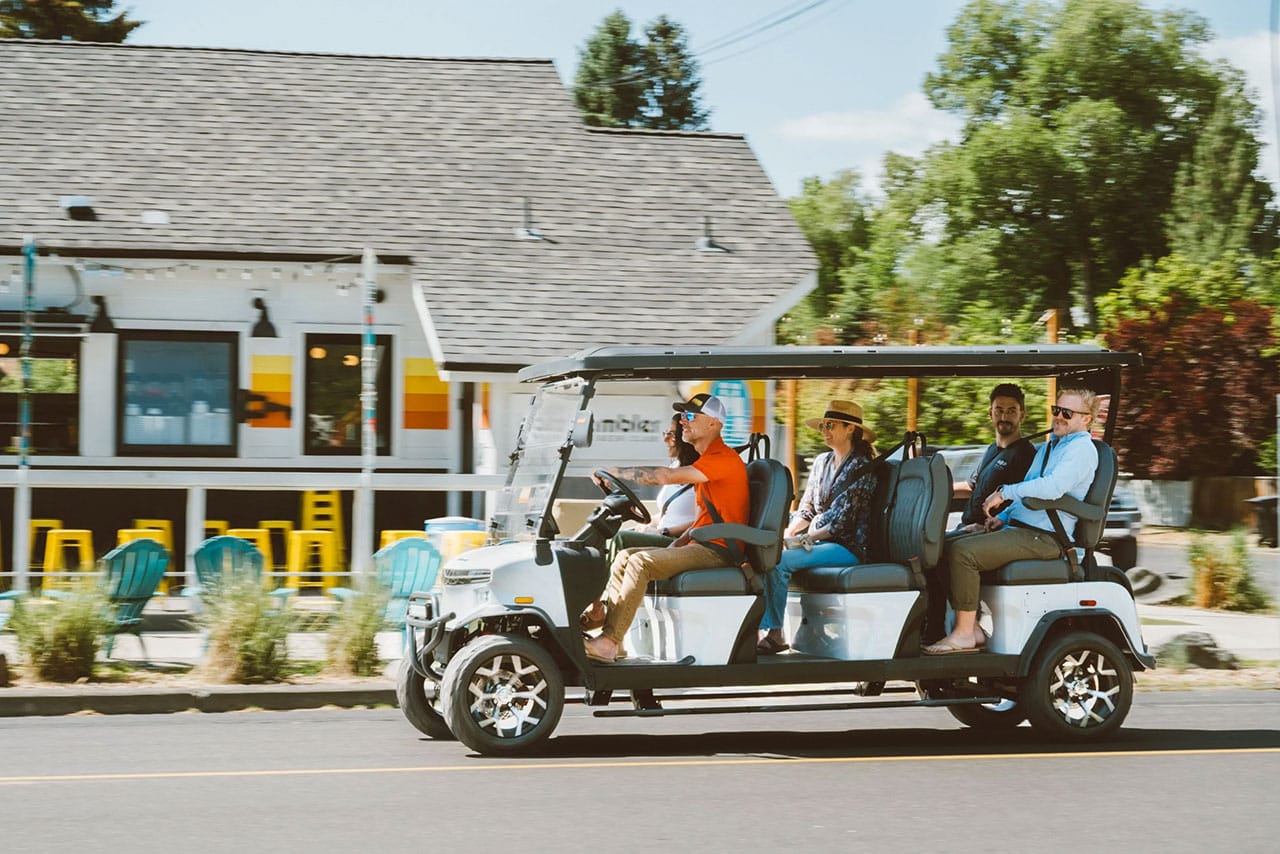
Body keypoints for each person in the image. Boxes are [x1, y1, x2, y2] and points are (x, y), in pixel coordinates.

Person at [923, 387, 1100, 655]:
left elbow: (1051, 488)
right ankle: (972, 629)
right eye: (1056, 411)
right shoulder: (1051, 447)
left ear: (1086, 419)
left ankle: (964, 634)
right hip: (1021, 528)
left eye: (1067, 413)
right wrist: (1001, 518)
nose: (1059, 417)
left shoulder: (1081, 450)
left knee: (962, 553)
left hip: (1046, 537)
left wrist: (1005, 492)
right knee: (942, 547)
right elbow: (1028, 487)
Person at [582, 393, 750, 664]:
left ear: (714, 424)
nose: (683, 421)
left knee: (641, 563)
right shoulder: (704, 460)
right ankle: (615, 640)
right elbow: (703, 520)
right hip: (702, 543)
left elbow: (665, 476)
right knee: (625, 557)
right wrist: (677, 544)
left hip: (718, 551)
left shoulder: (722, 459)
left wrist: (617, 471)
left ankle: (609, 643)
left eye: (691, 416)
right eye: (682, 416)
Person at [758, 400, 878, 655]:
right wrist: (787, 535)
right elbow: (807, 508)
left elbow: (842, 522)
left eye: (830, 425)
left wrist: (802, 540)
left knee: (779, 562)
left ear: (850, 429)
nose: (824, 430)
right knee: (769, 551)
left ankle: (775, 632)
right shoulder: (822, 462)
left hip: (848, 545)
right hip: (818, 538)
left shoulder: (863, 466)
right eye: (823, 425)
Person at [951, 383, 1036, 534]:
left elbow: (1024, 501)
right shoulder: (992, 450)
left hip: (990, 530)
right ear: (990, 413)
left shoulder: (1025, 453)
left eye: (1011, 411)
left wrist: (986, 527)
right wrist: (935, 489)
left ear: (1022, 415)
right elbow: (972, 486)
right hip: (967, 527)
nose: (1004, 417)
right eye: (999, 410)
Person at [615, 415, 701, 550]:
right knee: (611, 535)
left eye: (672, 434)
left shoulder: (700, 473)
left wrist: (664, 531)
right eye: (665, 433)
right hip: (662, 533)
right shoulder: (675, 466)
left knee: (620, 538)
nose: (665, 439)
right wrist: (647, 525)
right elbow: (666, 514)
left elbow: (701, 521)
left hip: (680, 540)